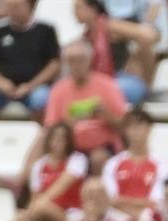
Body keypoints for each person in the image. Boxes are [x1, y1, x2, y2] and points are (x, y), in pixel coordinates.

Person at [43, 40, 127, 169]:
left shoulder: (107, 85)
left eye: (80, 60)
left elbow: (125, 124)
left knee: (98, 158)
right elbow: (51, 128)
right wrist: (69, 123)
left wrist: (106, 115)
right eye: (71, 61)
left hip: (102, 145)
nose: (76, 65)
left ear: (90, 61)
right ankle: (22, 183)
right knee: (40, 139)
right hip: (68, 144)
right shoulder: (58, 89)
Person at [73, 0, 155, 105]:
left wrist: (137, 57)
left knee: (103, 91)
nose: (74, 13)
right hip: (101, 81)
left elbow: (147, 36)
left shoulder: (109, 26)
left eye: (78, 8)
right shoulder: (86, 35)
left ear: (92, 9)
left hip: (121, 79)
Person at [0, 0, 61, 114]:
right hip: (3, 88)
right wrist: (0, 82)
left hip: (36, 87)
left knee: (42, 99)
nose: (12, 11)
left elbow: (54, 64)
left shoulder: (46, 30)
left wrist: (30, 86)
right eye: (9, 7)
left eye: (16, 6)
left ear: (30, 6)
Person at [23, 122, 88, 221]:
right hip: (45, 215)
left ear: (69, 141)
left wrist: (40, 204)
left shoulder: (77, 159)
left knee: (41, 207)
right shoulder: (39, 165)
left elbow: (62, 185)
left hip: (71, 213)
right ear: (49, 140)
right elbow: (34, 197)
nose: (59, 141)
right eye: (56, 137)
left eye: (63, 137)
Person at [101, 107, 164, 217]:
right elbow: (111, 199)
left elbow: (156, 202)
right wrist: (139, 208)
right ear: (125, 131)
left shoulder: (161, 165)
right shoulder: (112, 164)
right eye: (131, 126)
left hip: (148, 218)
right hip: (117, 217)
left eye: (140, 125)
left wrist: (123, 201)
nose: (136, 130)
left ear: (149, 129)